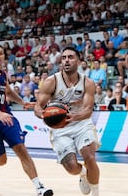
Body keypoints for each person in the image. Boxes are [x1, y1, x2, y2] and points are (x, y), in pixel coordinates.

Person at [0, 45, 53, 196]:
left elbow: (7, 91)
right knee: (1, 159)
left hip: (5, 117)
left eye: (1, 53)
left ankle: (39, 187)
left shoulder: (3, 74)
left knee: (21, 148)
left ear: (4, 58)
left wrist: (23, 103)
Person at [34, 47, 100, 196]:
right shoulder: (51, 81)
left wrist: (75, 117)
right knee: (71, 167)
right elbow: (38, 106)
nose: (66, 60)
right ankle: (83, 174)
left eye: (70, 57)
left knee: (90, 157)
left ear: (78, 60)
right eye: (64, 58)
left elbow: (88, 109)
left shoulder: (87, 83)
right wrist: (43, 114)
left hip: (81, 123)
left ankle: (95, 192)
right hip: (60, 128)